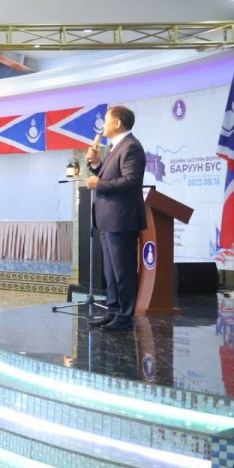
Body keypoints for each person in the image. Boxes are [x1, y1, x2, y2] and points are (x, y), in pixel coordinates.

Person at [85, 104, 147, 332]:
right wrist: (96, 165)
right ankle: (113, 312)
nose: (103, 124)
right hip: (108, 219)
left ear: (117, 123)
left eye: (106, 119)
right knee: (111, 272)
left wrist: (98, 183)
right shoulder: (114, 147)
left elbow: (131, 181)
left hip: (122, 220)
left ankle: (125, 317)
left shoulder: (131, 147)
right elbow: (110, 175)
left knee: (124, 271)